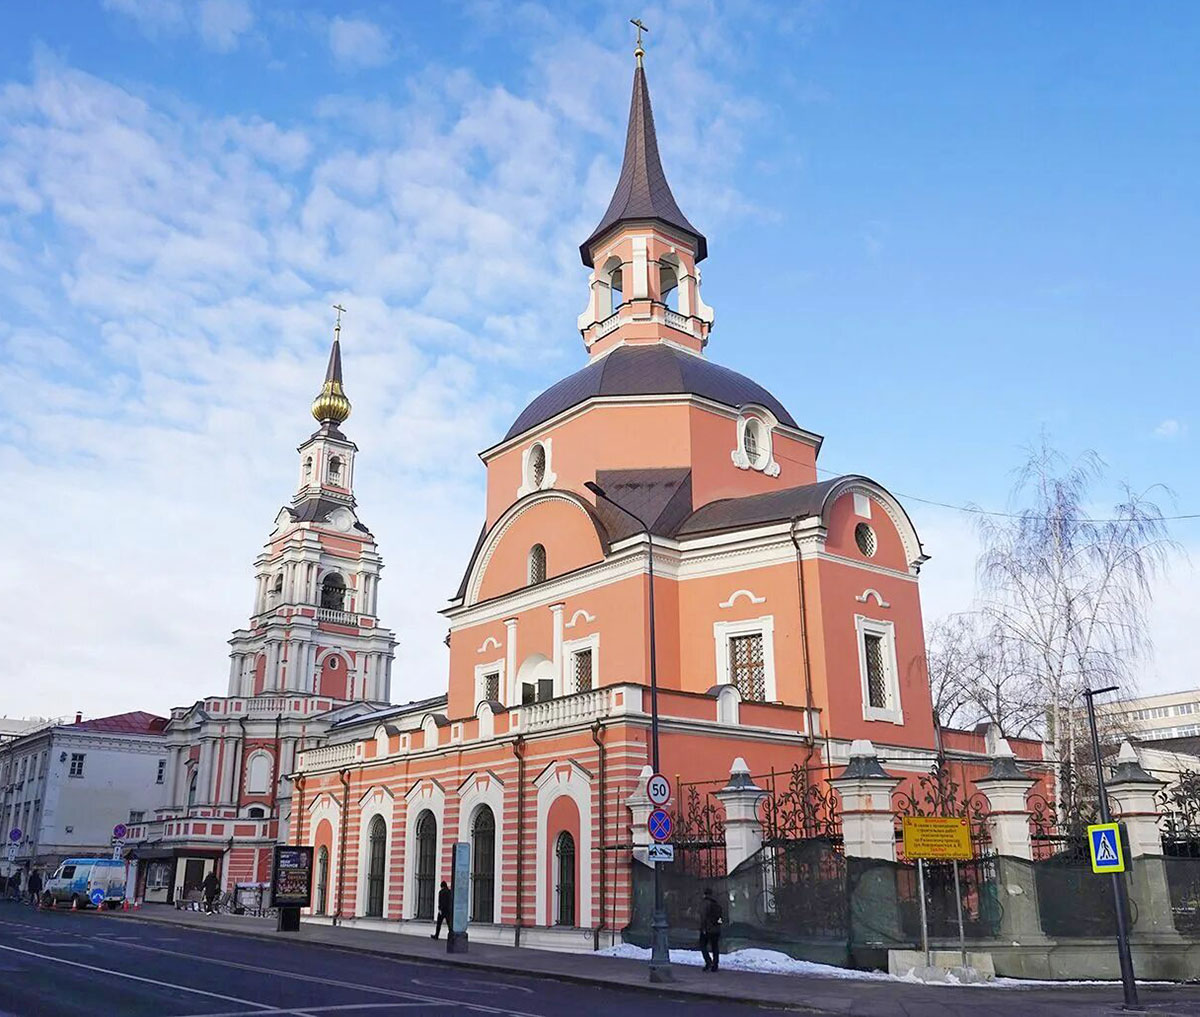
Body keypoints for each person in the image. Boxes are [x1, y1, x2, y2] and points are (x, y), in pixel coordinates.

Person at [698, 887, 724, 972]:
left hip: (707, 929)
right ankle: (715, 965)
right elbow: (721, 918)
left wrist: (703, 928)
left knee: (702, 945)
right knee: (715, 947)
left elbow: (703, 917)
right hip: (716, 929)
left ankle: (708, 962)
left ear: (705, 894)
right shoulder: (716, 903)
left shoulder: (705, 903)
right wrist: (718, 925)